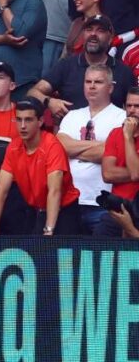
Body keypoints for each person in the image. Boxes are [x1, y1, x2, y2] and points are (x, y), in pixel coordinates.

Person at [0, 97, 82, 235]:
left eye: (28, 120)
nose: (22, 126)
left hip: (65, 210)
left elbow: (54, 191)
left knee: (59, 254)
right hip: (37, 208)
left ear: (40, 121)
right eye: (18, 119)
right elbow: (1, 191)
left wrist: (49, 230)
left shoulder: (52, 146)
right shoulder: (13, 147)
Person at [56, 65, 126, 236]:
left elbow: (115, 154)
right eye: (88, 81)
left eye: (98, 82)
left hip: (103, 204)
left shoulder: (121, 117)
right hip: (70, 202)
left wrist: (75, 147)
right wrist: (101, 146)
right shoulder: (72, 116)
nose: (92, 86)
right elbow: (59, 148)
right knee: (69, 260)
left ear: (110, 87)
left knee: (98, 259)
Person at [29, 15, 135, 117]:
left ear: (110, 37)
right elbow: (33, 92)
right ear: (83, 34)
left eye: (100, 30)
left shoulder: (123, 72)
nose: (93, 34)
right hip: (69, 132)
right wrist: (49, 101)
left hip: (110, 133)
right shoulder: (66, 66)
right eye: (89, 29)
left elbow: (135, 107)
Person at [100, 87, 139, 237]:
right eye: (129, 106)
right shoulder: (116, 133)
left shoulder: (124, 135)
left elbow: (135, 174)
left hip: (137, 210)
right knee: (98, 250)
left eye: (137, 106)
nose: (132, 110)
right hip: (116, 208)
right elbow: (108, 174)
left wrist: (128, 137)